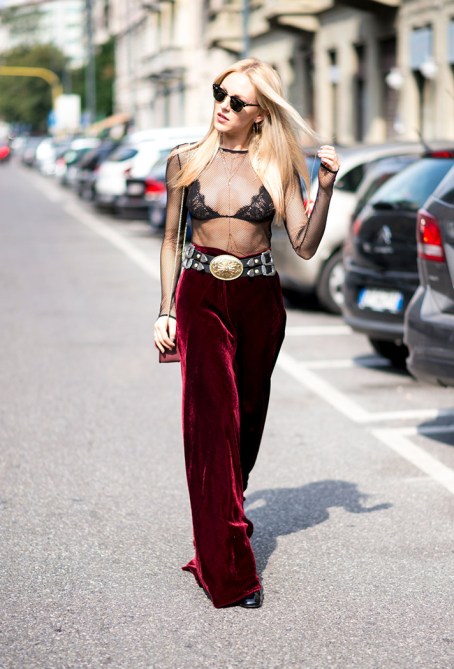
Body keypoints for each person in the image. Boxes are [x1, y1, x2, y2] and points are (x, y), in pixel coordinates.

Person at [154, 58, 339, 609]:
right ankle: (228, 568)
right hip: (200, 296)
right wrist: (165, 310)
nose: (223, 106)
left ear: (260, 114)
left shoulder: (277, 166)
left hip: (260, 303)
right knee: (211, 428)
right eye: (220, 93)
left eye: (237, 101)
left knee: (245, 428)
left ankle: (223, 520)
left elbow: (304, 244)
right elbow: (170, 239)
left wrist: (325, 187)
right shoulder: (185, 159)